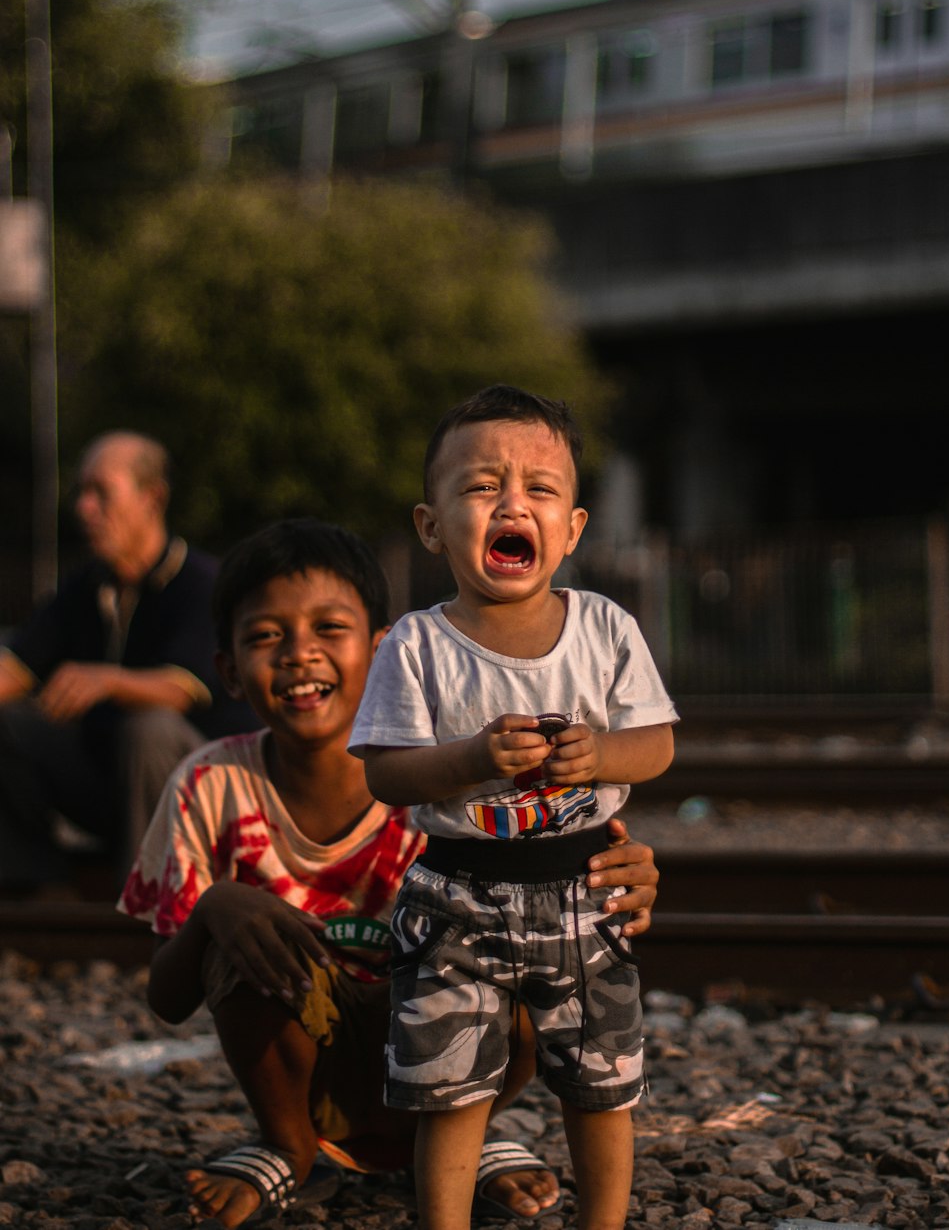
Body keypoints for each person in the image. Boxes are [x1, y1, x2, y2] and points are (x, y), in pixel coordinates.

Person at [118, 516, 662, 1230]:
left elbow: (588, 863)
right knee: (243, 929)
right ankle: (288, 1147)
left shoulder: (450, 782)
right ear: (227, 669)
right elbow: (165, 999)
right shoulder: (208, 785)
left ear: (383, 653)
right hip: (308, 1066)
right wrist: (215, 907)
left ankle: (470, 1134)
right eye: (265, 636)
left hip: (453, 1047)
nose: (299, 656)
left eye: (328, 630)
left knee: (539, 924)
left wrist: (627, 875)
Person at [351, 385, 678, 1230]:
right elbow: (385, 776)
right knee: (451, 1090)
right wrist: (469, 759)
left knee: (601, 1087)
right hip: (457, 891)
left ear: (570, 529)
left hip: (584, 887)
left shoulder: (604, 627)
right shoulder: (418, 645)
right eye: (482, 486)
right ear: (432, 526)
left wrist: (600, 754)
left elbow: (657, 745)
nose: (512, 502)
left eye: (540, 488)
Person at [0, 431, 253, 889]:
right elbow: (15, 668)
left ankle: (152, 903)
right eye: (82, 492)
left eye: (101, 492)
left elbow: (181, 688)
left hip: (197, 796)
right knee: (10, 722)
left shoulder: (202, 583)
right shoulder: (87, 587)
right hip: (110, 785)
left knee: (148, 728)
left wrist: (106, 680)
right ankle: (38, 889)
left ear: (152, 498)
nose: (84, 507)